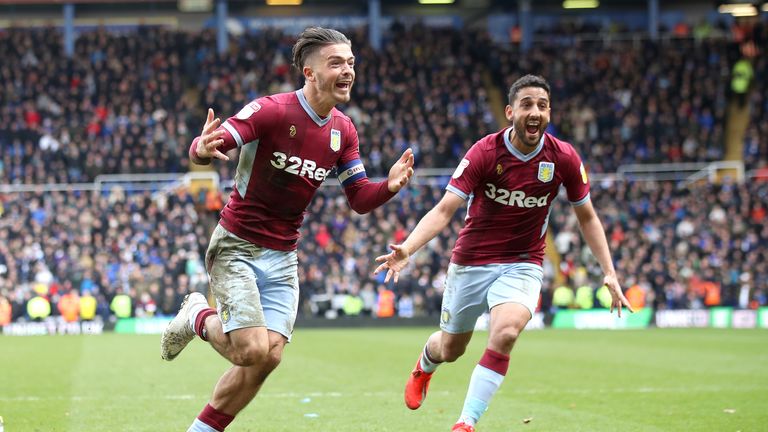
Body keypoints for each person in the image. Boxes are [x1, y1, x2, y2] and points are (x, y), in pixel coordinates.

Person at [161, 27, 414, 432]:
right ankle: (197, 315)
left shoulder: (344, 131)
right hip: (237, 246)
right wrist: (201, 148)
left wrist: (390, 187)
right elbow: (219, 140)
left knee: (268, 358)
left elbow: (360, 198)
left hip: (283, 256)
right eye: (336, 63)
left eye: (351, 62)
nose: (348, 70)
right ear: (309, 73)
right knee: (250, 351)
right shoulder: (272, 110)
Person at [374, 74, 632, 432]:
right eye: (527, 104)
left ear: (549, 113)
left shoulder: (564, 158)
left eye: (542, 105)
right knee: (451, 349)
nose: (535, 112)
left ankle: (466, 423)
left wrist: (609, 271)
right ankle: (424, 365)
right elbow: (445, 209)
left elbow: (587, 215)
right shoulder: (485, 152)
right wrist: (408, 249)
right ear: (510, 111)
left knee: (506, 332)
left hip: (523, 263)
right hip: (471, 262)